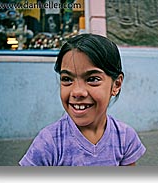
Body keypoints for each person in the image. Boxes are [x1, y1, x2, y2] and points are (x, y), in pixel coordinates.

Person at [19, 34, 146, 166]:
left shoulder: (125, 137)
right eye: (67, 79)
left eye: (92, 79)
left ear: (116, 85)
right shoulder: (49, 142)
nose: (77, 92)